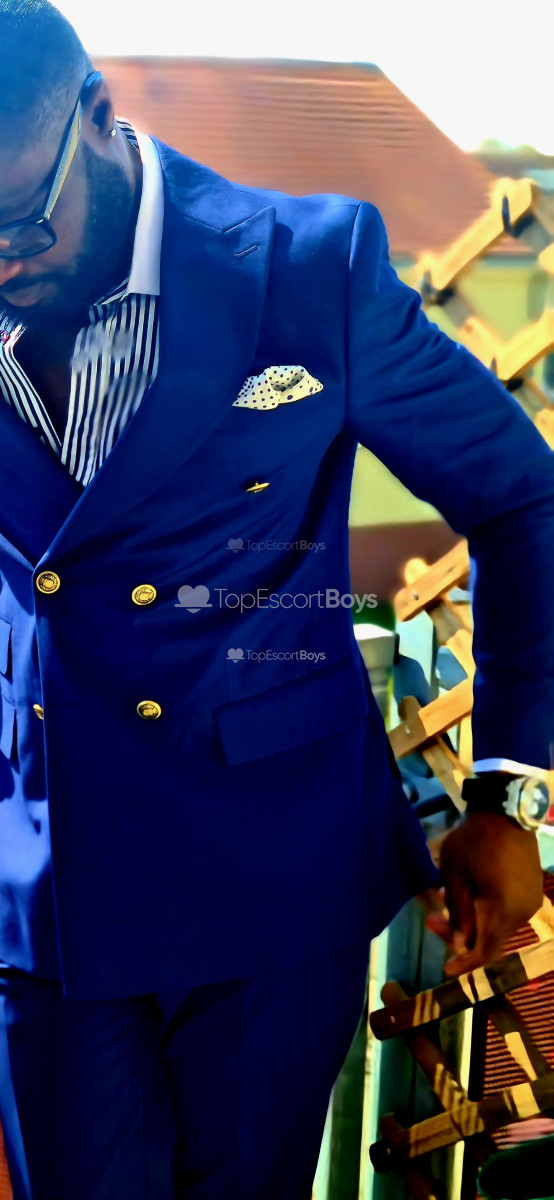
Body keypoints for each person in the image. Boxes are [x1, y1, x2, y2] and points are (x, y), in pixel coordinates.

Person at [0, 2, 552, 1197]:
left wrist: (507, 790)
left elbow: (522, 500)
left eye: (18, 225)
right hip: (41, 880)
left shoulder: (309, 271)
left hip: (267, 879)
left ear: (95, 118)